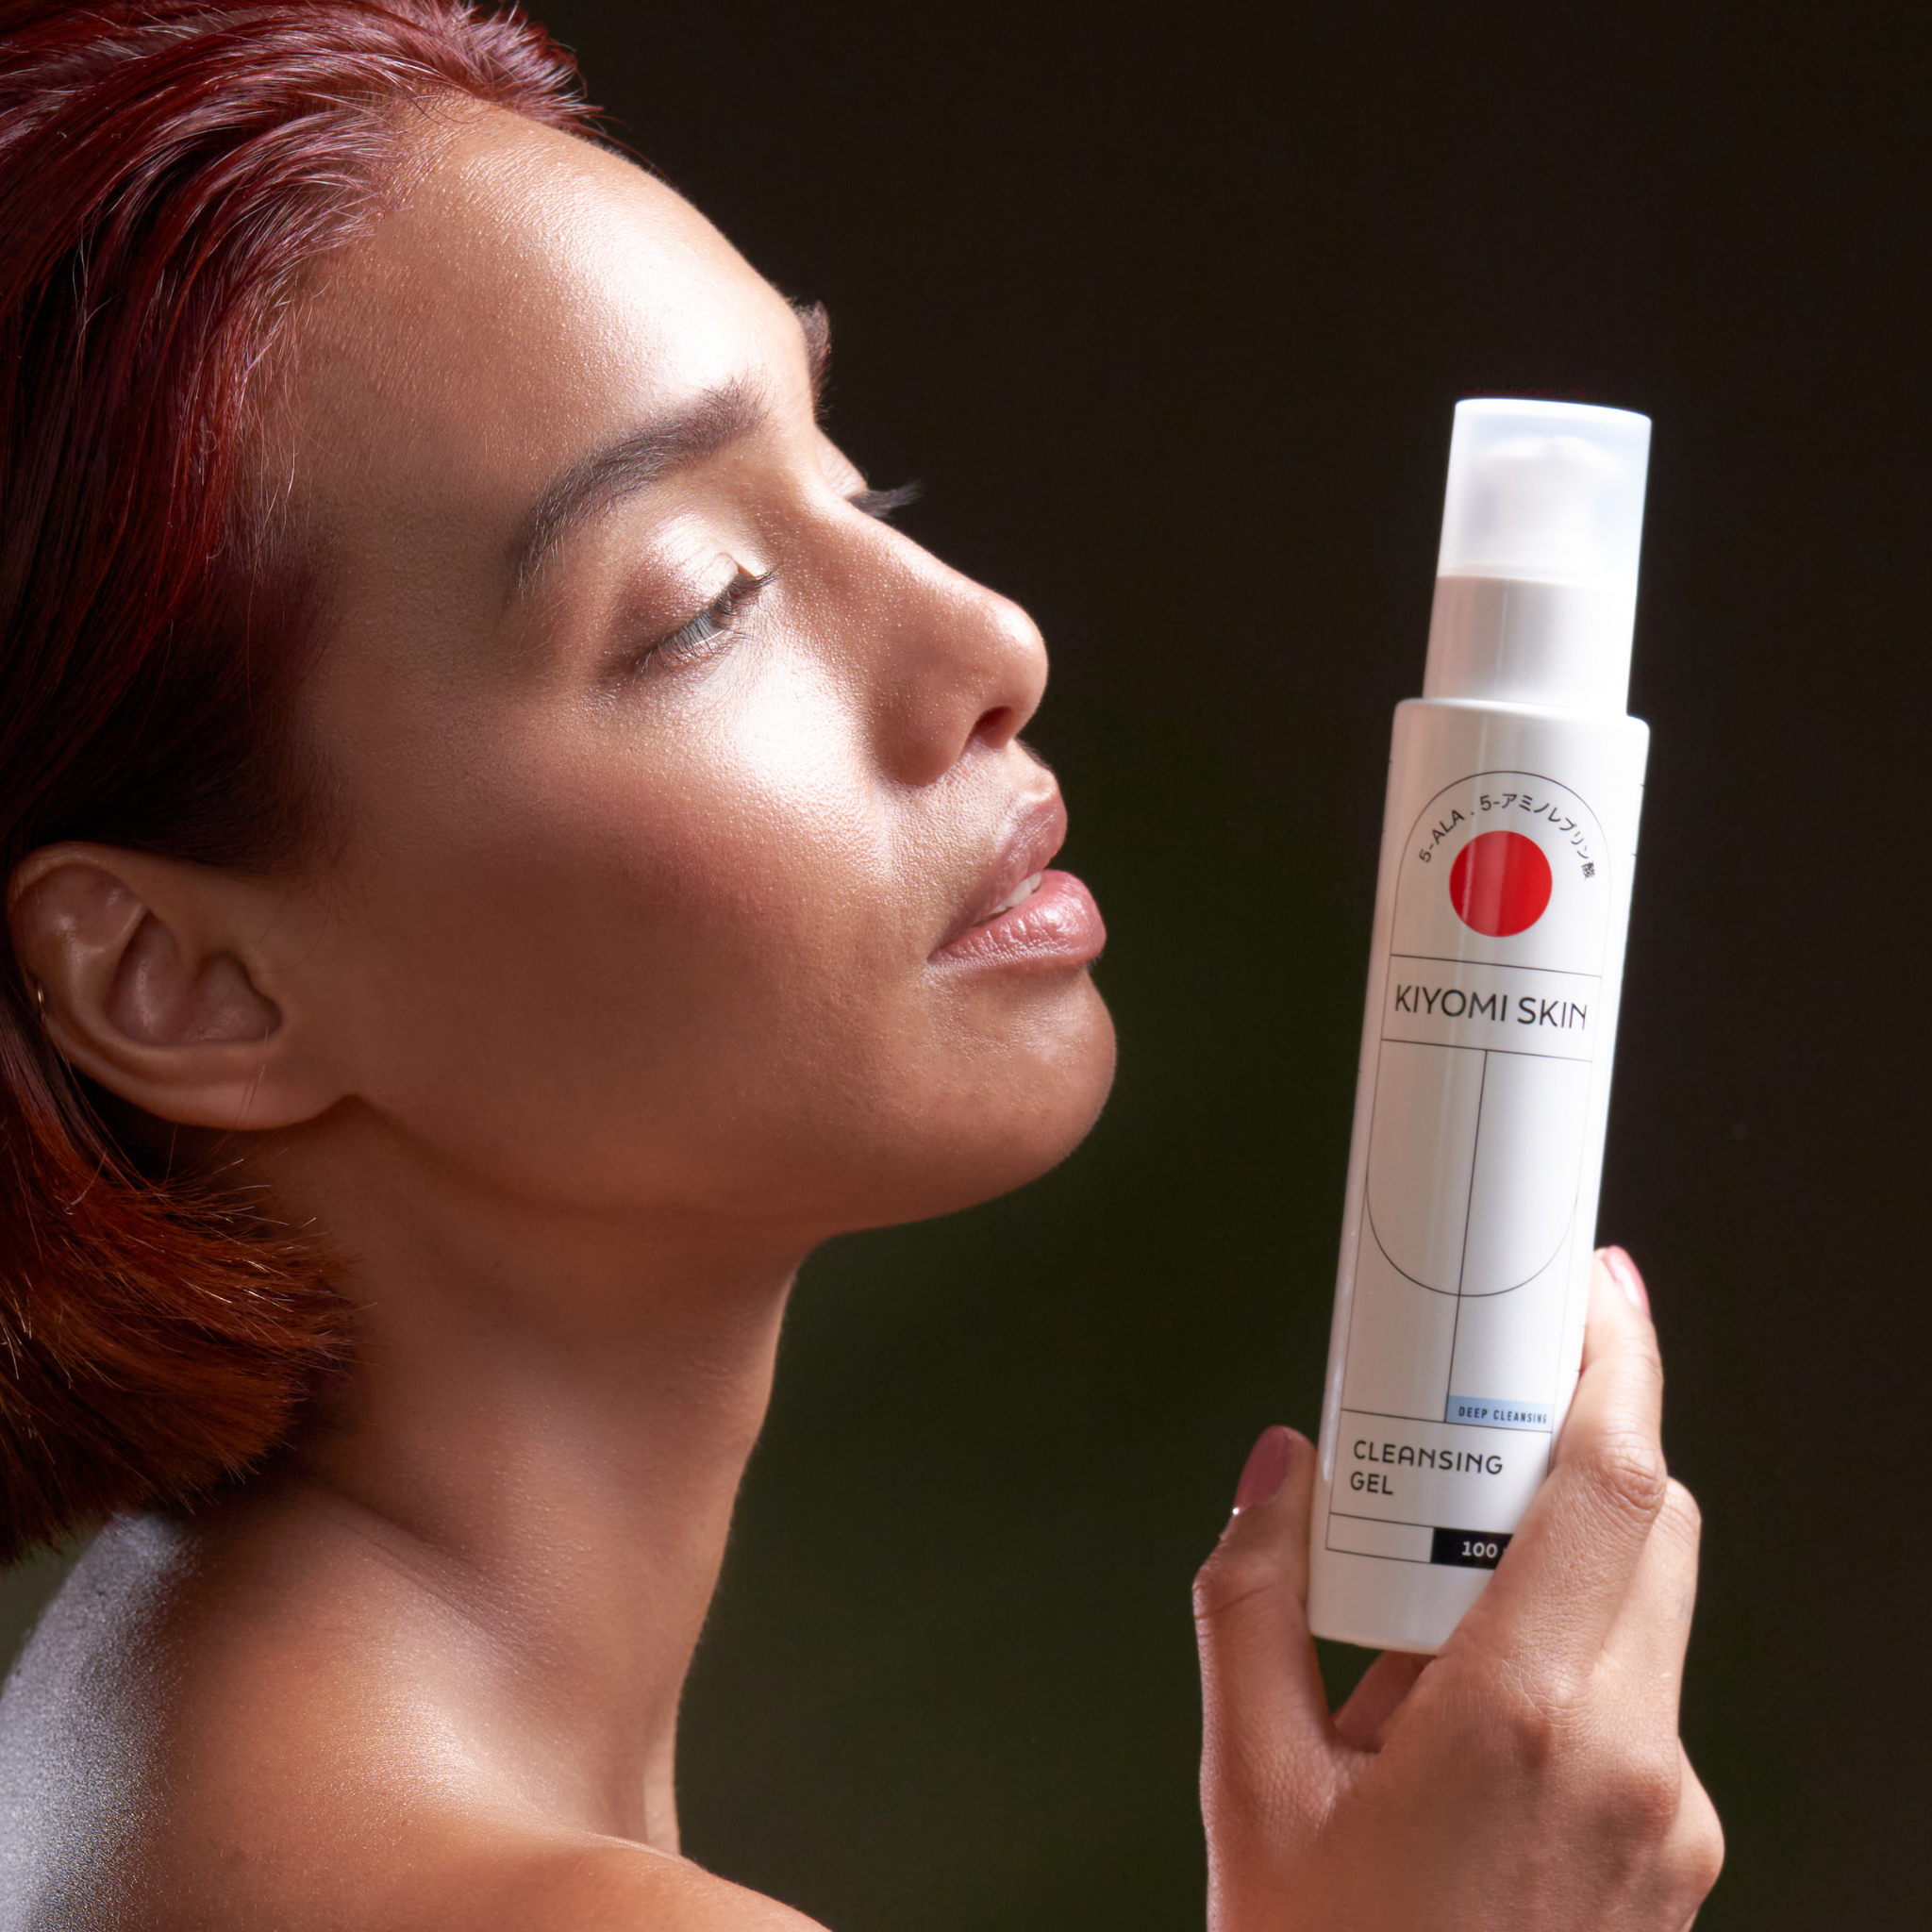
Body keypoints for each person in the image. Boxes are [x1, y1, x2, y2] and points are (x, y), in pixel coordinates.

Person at [0, 3, 1723, 1924]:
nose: (990, 636)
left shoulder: (127, 1766)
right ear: (178, 975)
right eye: (700, 604)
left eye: (851, 481)